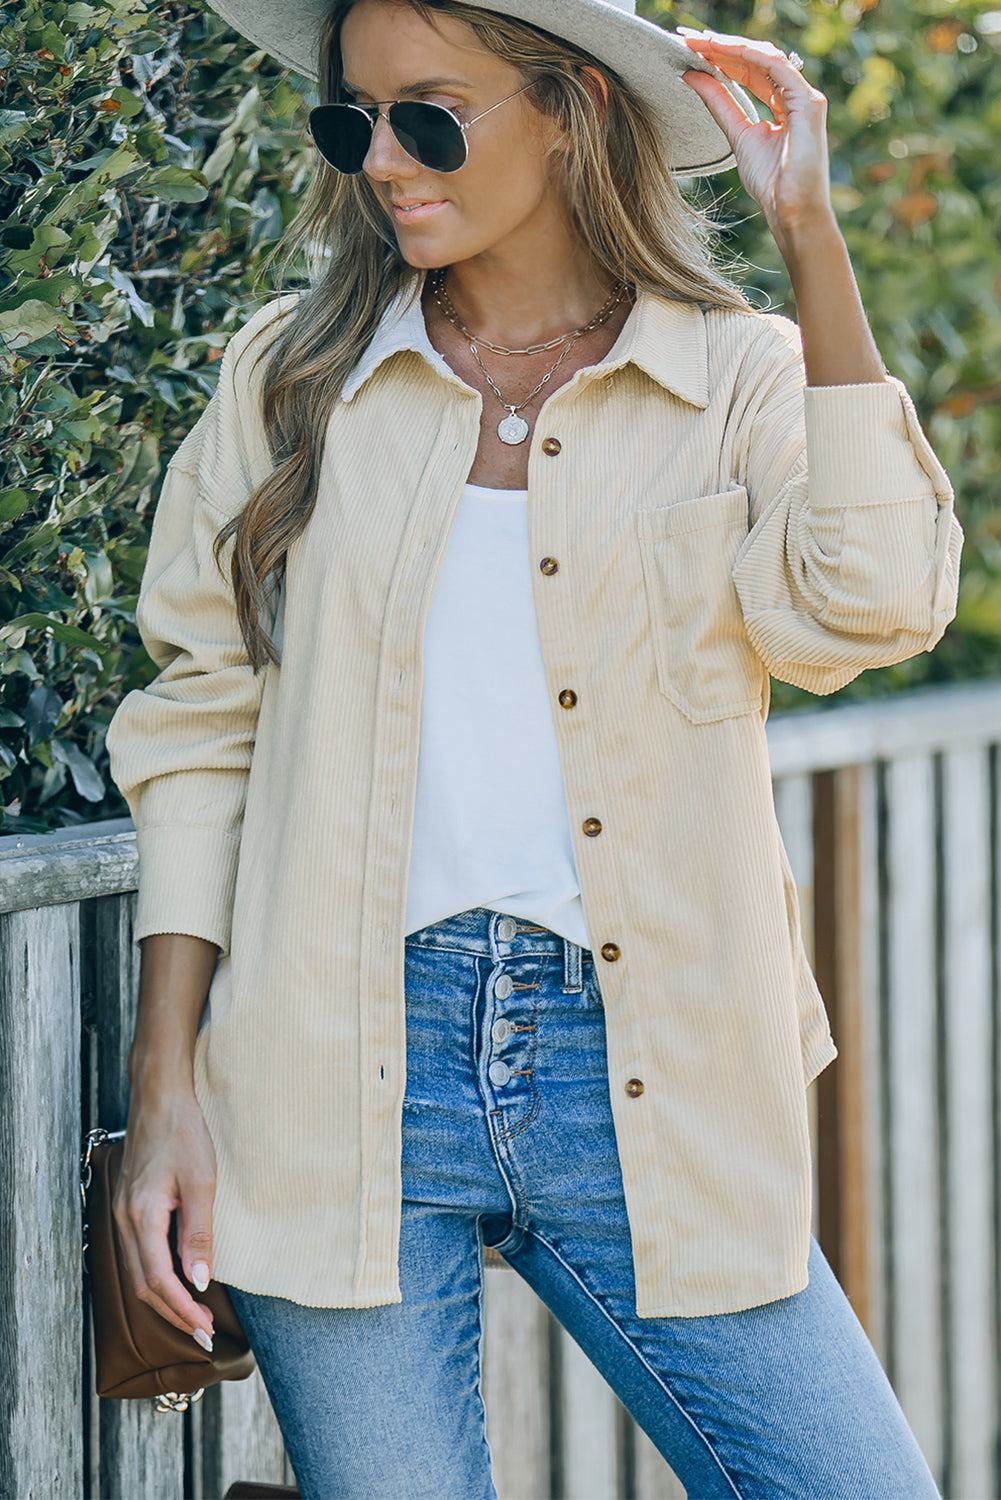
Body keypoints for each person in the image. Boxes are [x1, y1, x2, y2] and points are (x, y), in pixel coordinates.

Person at [105, 1, 962, 1495]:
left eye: (427, 115)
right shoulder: (295, 381)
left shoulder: (737, 378)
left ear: (566, 108)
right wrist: (165, 1084)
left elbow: (868, 608)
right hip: (331, 1074)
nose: (381, 160)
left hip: (652, 1074)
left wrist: (814, 241)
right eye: (350, 119)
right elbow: (199, 722)